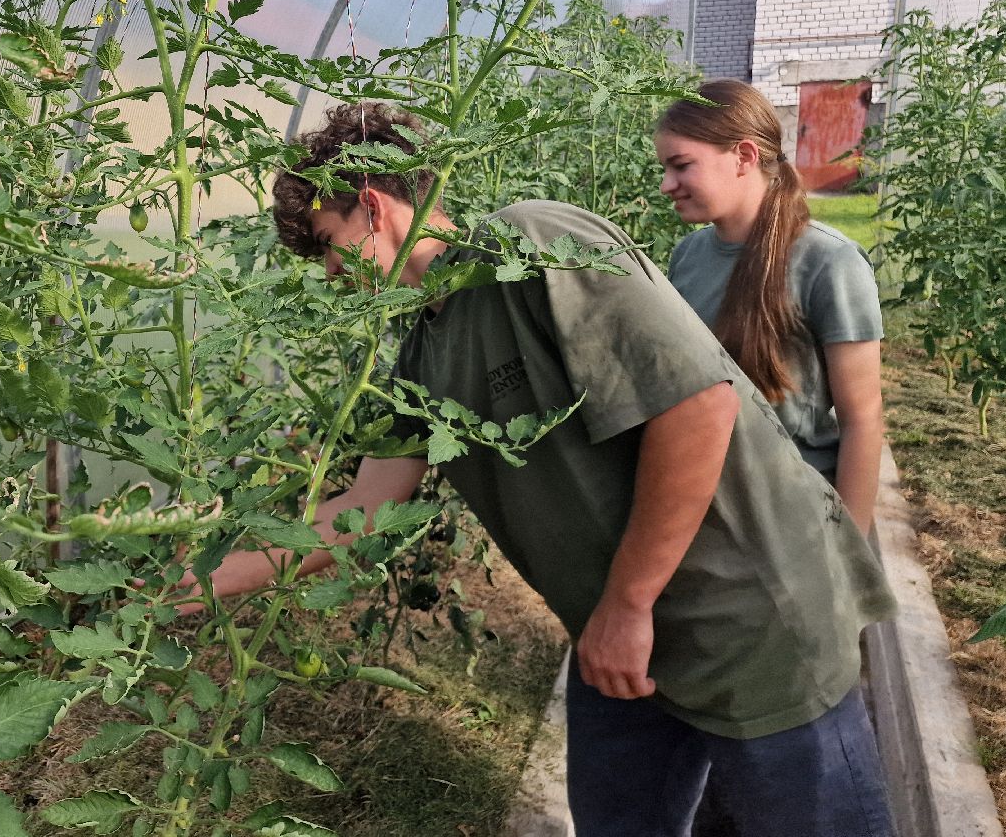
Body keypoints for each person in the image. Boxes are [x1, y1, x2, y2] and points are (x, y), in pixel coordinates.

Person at [202, 101, 896, 836]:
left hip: (751, 620)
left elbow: (699, 411)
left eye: (330, 245)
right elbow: (365, 509)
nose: (333, 272)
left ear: (375, 207)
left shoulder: (535, 243)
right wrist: (211, 582)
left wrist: (628, 606)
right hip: (620, 640)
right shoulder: (421, 353)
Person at [654, 79, 885, 533]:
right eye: (664, 168)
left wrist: (851, 550)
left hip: (791, 519)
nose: (666, 185)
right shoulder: (687, 256)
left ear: (744, 156)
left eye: (681, 166)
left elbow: (864, 420)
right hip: (700, 508)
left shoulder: (830, 263)